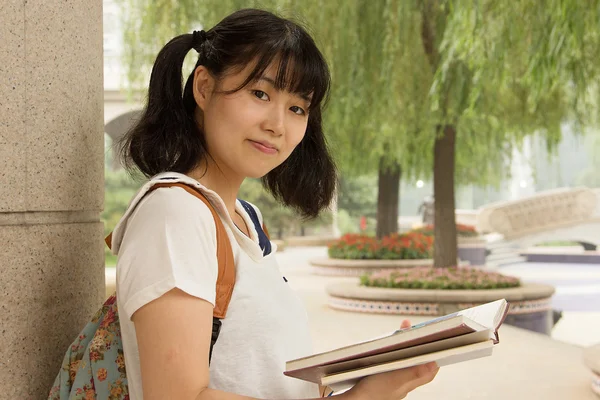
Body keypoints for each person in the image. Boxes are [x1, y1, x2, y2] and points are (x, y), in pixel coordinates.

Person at [113, 8, 439, 400]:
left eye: (297, 108)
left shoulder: (247, 220)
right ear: (203, 87)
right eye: (260, 93)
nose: (278, 124)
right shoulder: (175, 213)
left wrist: (385, 381)